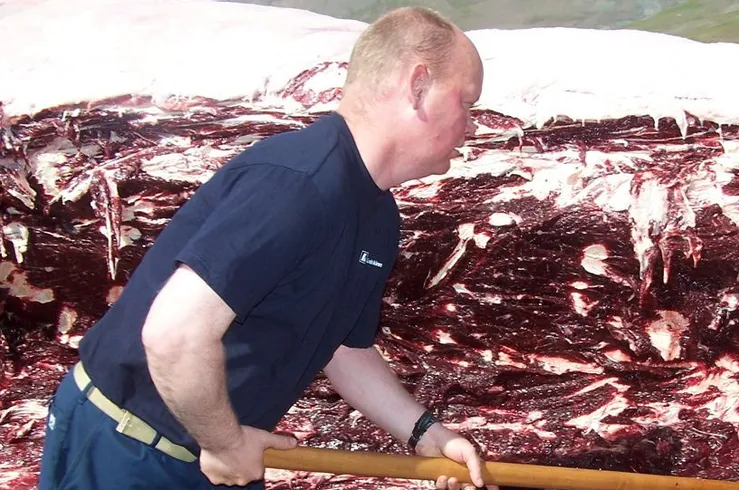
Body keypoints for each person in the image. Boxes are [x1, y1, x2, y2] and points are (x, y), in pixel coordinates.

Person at [38, 6, 495, 490]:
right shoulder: (297, 184)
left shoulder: (377, 213)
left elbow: (341, 348)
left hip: (217, 454)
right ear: (417, 85)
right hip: (129, 450)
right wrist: (225, 444)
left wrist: (425, 433)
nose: (471, 127)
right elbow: (175, 334)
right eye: (466, 102)